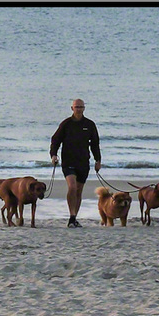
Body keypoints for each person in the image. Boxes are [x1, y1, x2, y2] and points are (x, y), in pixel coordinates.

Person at [50, 98, 102, 228]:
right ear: (72, 108)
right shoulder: (66, 124)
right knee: (72, 187)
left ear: (84, 108)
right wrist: (53, 155)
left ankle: (74, 218)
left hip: (83, 162)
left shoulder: (90, 124)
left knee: (79, 190)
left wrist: (98, 160)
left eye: (81, 107)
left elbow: (95, 144)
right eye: (76, 107)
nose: (79, 109)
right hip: (68, 161)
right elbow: (55, 140)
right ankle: (71, 215)